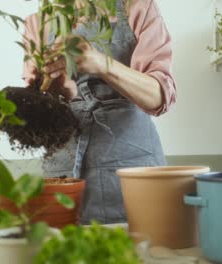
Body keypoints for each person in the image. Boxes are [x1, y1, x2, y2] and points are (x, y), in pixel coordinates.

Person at [22, 0, 176, 224]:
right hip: (62, 175)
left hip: (131, 170)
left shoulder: (138, 7)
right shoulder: (38, 23)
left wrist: (102, 64)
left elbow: (159, 96)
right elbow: (38, 118)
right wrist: (61, 90)